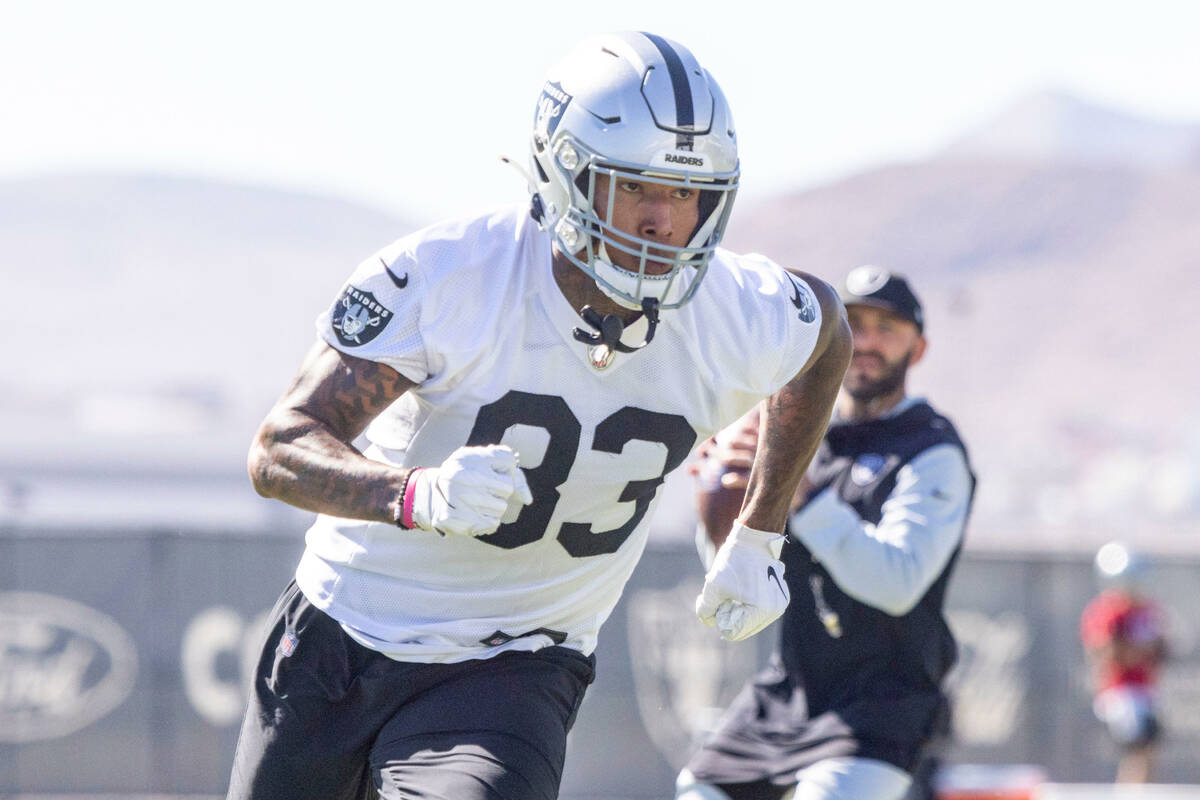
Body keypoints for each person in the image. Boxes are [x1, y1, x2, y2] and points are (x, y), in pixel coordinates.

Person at [227, 31, 851, 800]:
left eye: (685, 194)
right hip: (340, 636)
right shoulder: (451, 276)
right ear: (566, 175)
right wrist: (414, 495)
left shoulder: (734, 313)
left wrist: (761, 529)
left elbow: (827, 332)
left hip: (514, 662)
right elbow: (280, 449)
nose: (662, 222)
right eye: (635, 188)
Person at [677, 266, 976, 800]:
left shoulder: (932, 449)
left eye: (888, 328)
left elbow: (899, 582)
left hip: (881, 699)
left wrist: (801, 493)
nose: (866, 342)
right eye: (854, 324)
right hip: (789, 686)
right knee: (697, 789)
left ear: (920, 348)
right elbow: (733, 562)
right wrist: (725, 500)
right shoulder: (797, 432)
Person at [1081, 541, 1167, 784]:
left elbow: (1160, 649)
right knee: (1137, 749)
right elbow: (1105, 652)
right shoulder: (1108, 611)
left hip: (1146, 688)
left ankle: (1140, 792)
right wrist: (1137, 651)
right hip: (1122, 690)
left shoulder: (1147, 610)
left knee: (1149, 751)